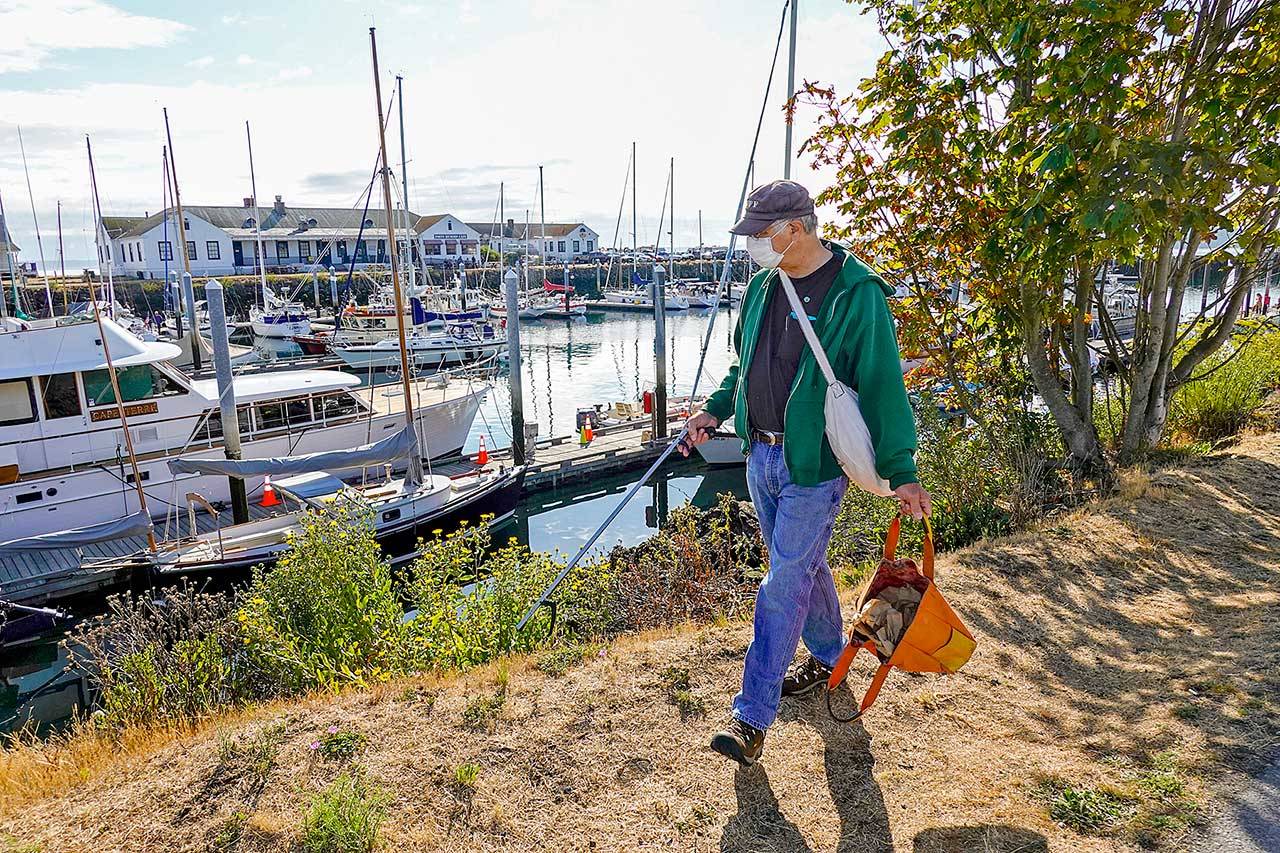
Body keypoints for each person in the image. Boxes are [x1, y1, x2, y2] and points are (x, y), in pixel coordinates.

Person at [682, 180, 930, 767]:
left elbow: (882, 384)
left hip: (813, 464)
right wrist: (715, 410)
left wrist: (901, 469)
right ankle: (825, 657)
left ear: (796, 229)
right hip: (759, 455)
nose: (752, 246)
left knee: (783, 580)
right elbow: (744, 367)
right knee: (805, 563)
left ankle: (751, 718)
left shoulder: (857, 292)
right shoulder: (764, 286)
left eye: (760, 235)